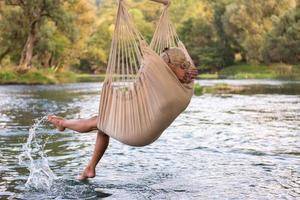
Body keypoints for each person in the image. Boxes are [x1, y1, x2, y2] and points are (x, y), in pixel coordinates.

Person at [48, 47, 198, 180]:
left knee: (98, 120)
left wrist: (140, 43)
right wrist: (188, 69)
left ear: (169, 66)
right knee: (104, 125)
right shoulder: (186, 84)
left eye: (164, 65)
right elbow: (178, 69)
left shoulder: (161, 77)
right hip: (149, 132)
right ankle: (90, 168)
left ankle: (62, 124)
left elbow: (151, 62)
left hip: (139, 132)